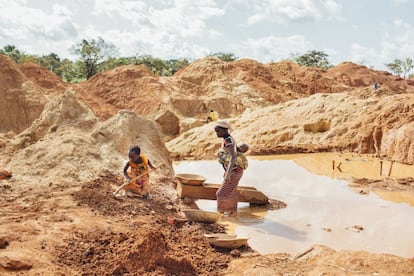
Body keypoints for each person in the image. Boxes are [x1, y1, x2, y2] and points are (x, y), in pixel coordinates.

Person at [214, 120, 246, 215]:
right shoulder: (228, 139)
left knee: (220, 194)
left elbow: (233, 157)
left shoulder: (228, 140)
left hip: (234, 172)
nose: (216, 134)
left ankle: (220, 215)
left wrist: (228, 174)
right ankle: (232, 213)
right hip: (236, 171)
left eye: (218, 131)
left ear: (224, 130)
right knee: (231, 193)